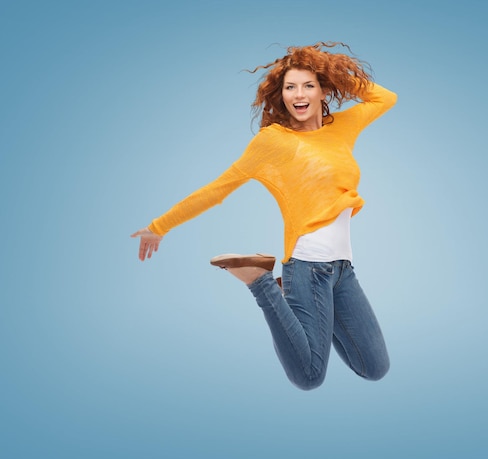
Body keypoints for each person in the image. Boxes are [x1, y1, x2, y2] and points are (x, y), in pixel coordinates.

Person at [131, 42, 397, 390]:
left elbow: (384, 98)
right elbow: (218, 189)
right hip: (307, 266)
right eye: (290, 87)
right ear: (281, 95)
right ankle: (259, 281)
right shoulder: (272, 142)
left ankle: (293, 301)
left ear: (322, 90)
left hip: (343, 271)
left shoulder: (341, 128)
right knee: (309, 376)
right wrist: (159, 227)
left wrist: (332, 71)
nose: (298, 94)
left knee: (375, 368)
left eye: (308, 85)